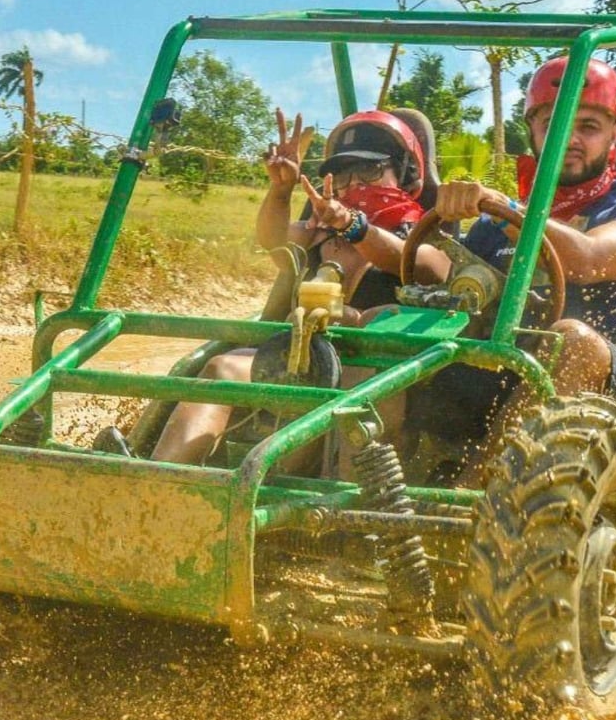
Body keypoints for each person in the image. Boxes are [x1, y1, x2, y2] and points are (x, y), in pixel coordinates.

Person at [149, 108, 445, 466]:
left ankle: (344, 510)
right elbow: (271, 240)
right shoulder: (317, 233)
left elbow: (428, 266)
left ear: (406, 173)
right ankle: (160, 481)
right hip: (298, 361)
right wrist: (281, 190)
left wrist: (355, 227)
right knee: (222, 369)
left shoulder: (420, 232)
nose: (355, 184)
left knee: (356, 393)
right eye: (344, 174)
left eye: (369, 170)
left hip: (371, 375)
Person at [410, 56, 616, 443]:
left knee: (573, 340)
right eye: (552, 125)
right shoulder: (492, 225)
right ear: (533, 132)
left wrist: (507, 211)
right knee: (384, 322)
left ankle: (485, 497)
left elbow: (586, 259)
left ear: (614, 136)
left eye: (588, 127)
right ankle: (340, 487)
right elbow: (456, 291)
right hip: (507, 374)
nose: (569, 140)